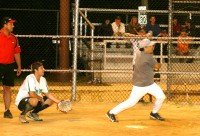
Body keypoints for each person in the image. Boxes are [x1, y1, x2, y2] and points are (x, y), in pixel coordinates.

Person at [106, 38, 166, 122]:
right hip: (140, 85)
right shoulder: (148, 57)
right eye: (150, 46)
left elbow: (140, 49)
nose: (153, 47)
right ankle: (111, 112)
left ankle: (154, 113)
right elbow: (158, 66)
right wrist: (159, 62)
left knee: (161, 96)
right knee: (131, 102)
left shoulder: (138, 52)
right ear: (145, 47)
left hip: (149, 84)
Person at [0, 17, 21, 119]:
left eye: (13, 24)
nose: (13, 26)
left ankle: (7, 111)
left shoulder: (14, 38)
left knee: (7, 88)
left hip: (9, 65)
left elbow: (16, 53)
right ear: (5, 25)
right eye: (11, 24)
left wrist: (19, 66)